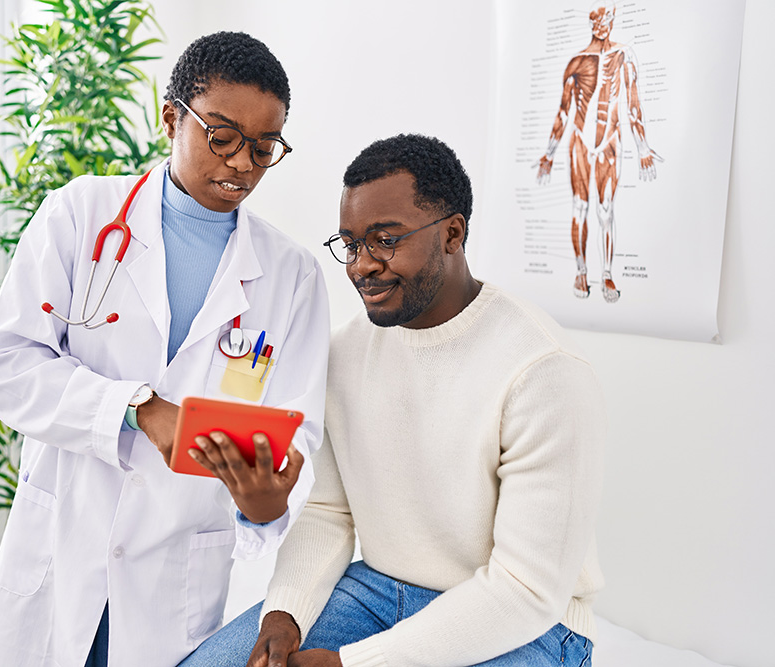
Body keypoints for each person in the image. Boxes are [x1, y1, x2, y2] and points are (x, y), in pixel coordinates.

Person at [0, 32, 330, 667]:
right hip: (62, 551)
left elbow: (296, 431)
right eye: (223, 136)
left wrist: (264, 507)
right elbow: (5, 362)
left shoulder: (292, 274)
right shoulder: (81, 214)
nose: (242, 164)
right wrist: (138, 408)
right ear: (171, 118)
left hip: (173, 581)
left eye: (264, 147)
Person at [181, 133, 606, 667]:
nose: (361, 265)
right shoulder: (343, 353)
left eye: (385, 240)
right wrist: (283, 615)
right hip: (380, 589)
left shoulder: (542, 371)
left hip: (531, 623)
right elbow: (327, 510)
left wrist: (353, 663)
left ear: (452, 234)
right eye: (350, 244)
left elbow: (526, 590)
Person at [535, 1, 661, 303]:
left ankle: (606, 273)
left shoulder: (624, 55)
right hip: (580, 141)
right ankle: (581, 271)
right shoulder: (577, 61)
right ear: (591, 22)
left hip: (609, 141)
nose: (602, 25)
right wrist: (549, 153)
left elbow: (632, 103)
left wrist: (643, 147)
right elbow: (564, 111)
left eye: (606, 19)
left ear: (612, 19)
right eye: (596, 20)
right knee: (579, 207)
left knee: (606, 211)